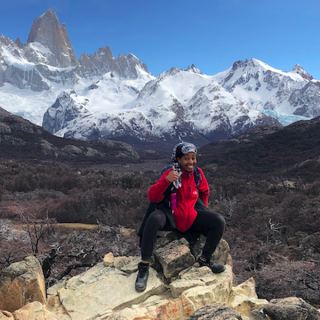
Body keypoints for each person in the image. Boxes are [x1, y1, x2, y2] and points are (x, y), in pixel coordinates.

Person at [135, 142, 226, 292]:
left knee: (218, 220)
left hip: (191, 214)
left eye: (193, 158)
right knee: (154, 219)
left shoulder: (197, 174)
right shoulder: (169, 173)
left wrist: (203, 208)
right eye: (186, 158)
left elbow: (205, 191)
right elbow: (152, 196)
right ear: (178, 159)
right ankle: (144, 267)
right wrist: (167, 181)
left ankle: (204, 260)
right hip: (170, 215)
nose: (191, 162)